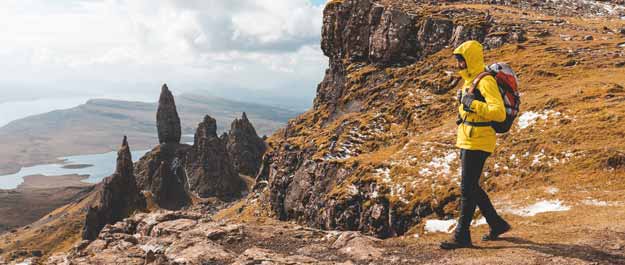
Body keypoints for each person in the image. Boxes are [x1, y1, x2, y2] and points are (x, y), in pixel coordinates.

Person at [440, 40, 511, 250]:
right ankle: (497, 224)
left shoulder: (485, 81)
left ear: (471, 59)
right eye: (458, 61)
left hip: (479, 139)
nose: (459, 65)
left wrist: (472, 104)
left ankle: (462, 235)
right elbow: (469, 108)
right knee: (471, 186)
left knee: (466, 188)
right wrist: (463, 107)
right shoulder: (469, 80)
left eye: (462, 61)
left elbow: (498, 113)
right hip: (468, 137)